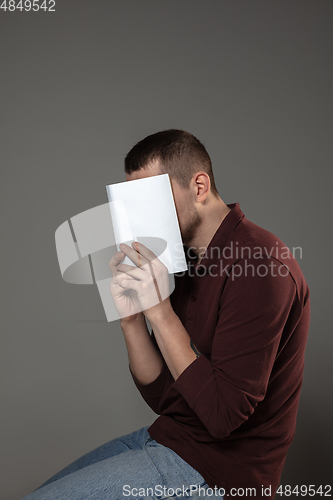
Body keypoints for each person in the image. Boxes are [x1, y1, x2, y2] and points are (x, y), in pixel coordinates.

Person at [23, 130, 310, 500]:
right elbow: (167, 399)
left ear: (200, 187)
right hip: (170, 440)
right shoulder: (181, 261)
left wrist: (160, 312)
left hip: (224, 473)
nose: (142, 218)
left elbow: (223, 416)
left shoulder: (262, 266)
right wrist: (132, 319)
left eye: (151, 199)